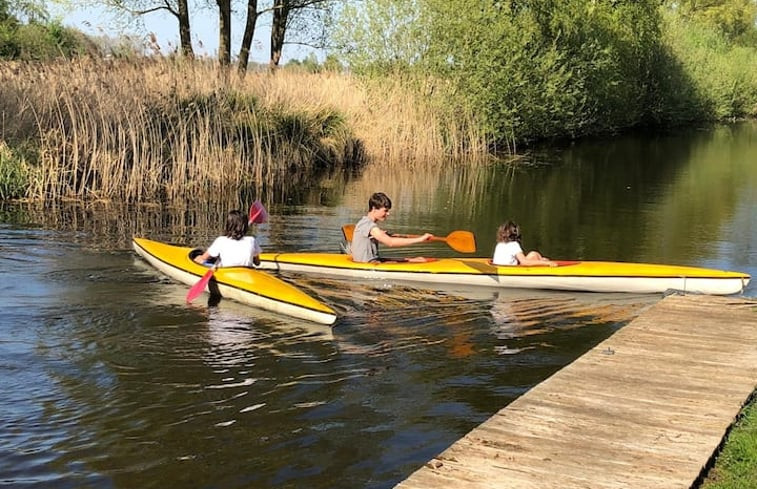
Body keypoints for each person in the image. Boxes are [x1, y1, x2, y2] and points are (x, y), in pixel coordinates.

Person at [351, 192, 433, 263]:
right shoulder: (368, 225)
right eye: (385, 210)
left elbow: (375, 234)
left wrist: (381, 234)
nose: (388, 214)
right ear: (374, 208)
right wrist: (420, 239)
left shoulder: (366, 224)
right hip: (367, 264)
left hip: (373, 260)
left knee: (416, 260)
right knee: (414, 261)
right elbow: (390, 242)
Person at [194, 209, 262, 267]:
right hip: (246, 273)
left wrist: (197, 259)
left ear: (228, 225)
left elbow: (204, 258)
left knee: (199, 259)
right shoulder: (251, 240)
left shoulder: (221, 240)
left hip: (226, 273)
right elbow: (257, 263)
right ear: (245, 227)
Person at [492, 220, 557, 267]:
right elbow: (524, 262)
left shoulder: (499, 244)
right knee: (534, 254)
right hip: (510, 270)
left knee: (533, 255)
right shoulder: (514, 245)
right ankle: (547, 265)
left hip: (499, 267)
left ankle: (544, 261)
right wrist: (546, 263)